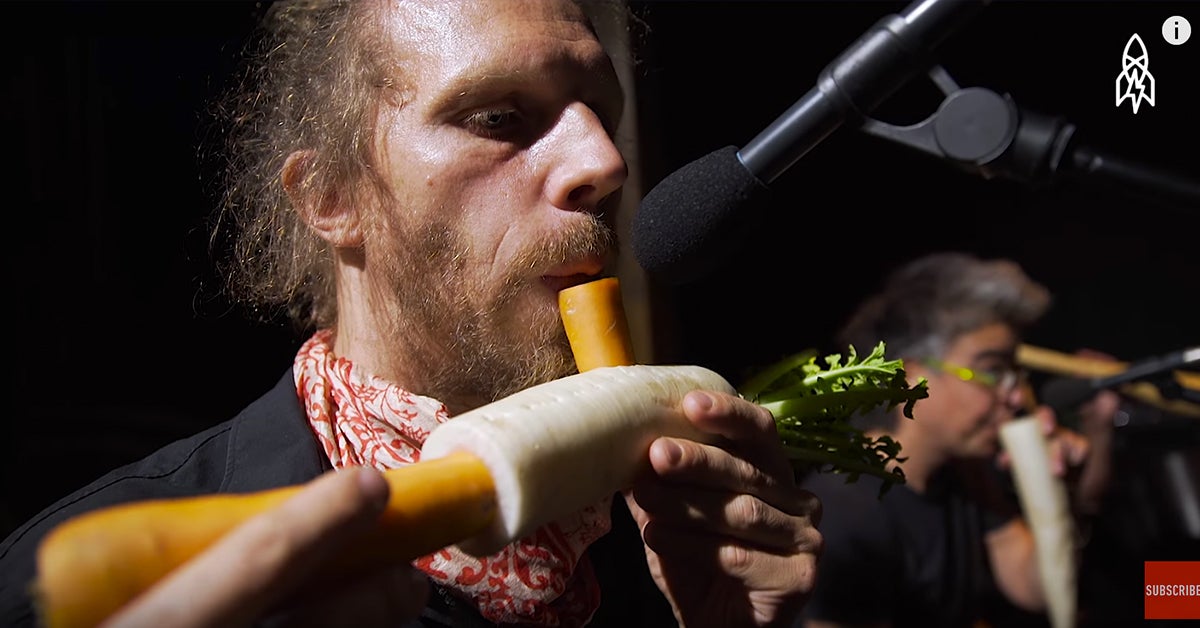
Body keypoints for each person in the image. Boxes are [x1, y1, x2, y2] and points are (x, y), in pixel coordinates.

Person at [0, 1, 823, 627]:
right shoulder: (99, 583)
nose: (603, 163)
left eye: (602, 114)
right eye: (498, 118)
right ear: (332, 196)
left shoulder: (671, 543)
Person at [796, 251, 1117, 628]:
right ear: (911, 379)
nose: (1016, 396)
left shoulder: (966, 474)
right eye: (993, 371)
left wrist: (1058, 492)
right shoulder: (842, 513)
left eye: (1016, 374)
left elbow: (1035, 588)